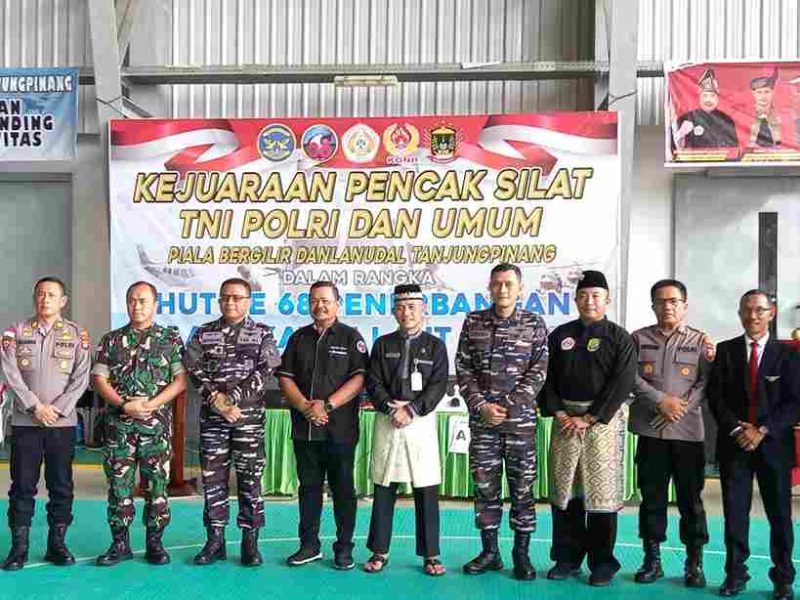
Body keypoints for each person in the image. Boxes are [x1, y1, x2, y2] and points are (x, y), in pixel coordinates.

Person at [542, 269, 636, 587]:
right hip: (565, 421)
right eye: (583, 295)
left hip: (601, 424)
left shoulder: (619, 337)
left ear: (607, 299)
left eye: (596, 295)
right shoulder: (559, 336)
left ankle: (602, 563)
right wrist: (557, 411)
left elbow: (622, 383)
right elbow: (546, 378)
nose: (589, 301)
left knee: (600, 496)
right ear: (575, 299)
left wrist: (592, 417)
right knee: (566, 493)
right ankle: (567, 559)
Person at [456, 263, 549, 581]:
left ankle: (521, 555)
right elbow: (464, 369)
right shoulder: (473, 322)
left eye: (509, 284)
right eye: (497, 284)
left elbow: (539, 372)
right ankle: (490, 552)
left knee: (523, 490)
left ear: (520, 289)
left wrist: (507, 406)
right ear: (490, 288)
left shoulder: (534, 324)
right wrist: (481, 406)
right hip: (484, 426)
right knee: (485, 489)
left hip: (520, 424)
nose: (503, 289)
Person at [708, 290, 799, 600]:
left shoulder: (788, 355)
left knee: (780, 514)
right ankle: (735, 574)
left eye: (760, 310)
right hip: (734, 446)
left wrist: (762, 430)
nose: (753, 315)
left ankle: (783, 578)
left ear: (771, 313)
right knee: (735, 514)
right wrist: (737, 429)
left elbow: (794, 403)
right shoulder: (726, 351)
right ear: (740, 313)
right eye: (747, 310)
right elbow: (715, 397)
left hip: (774, 447)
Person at [184, 278, 280, 567]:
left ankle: (250, 542)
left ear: (248, 301)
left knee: (250, 480)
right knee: (213, 480)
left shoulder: (263, 334)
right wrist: (216, 399)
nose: (230, 302)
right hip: (213, 420)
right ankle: (215, 541)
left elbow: (266, 372)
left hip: (247, 420)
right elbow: (193, 369)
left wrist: (232, 399)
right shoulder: (203, 333)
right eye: (225, 297)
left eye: (237, 298)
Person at [92, 281, 187, 566]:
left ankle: (154, 544)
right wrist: (124, 405)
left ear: (155, 304)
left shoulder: (169, 340)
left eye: (143, 301)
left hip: (155, 427)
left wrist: (151, 404)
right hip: (119, 428)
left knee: (156, 486)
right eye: (132, 300)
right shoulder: (110, 340)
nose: (137, 305)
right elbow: (99, 379)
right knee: (118, 487)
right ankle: (119, 543)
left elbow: (180, 381)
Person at [0, 277, 91, 570]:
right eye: (40, 294)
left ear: (63, 301)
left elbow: (81, 378)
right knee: (22, 486)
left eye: (51, 294)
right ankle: (19, 548)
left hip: (61, 425)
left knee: (61, 485)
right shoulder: (15, 332)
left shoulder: (77, 334)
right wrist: (35, 407)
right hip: (26, 423)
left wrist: (57, 410)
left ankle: (57, 544)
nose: (45, 299)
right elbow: (9, 373)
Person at [278, 281, 369, 570]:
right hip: (305, 428)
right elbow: (285, 377)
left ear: (337, 304)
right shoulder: (298, 338)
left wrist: (326, 405)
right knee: (309, 488)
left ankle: (344, 548)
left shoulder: (351, 337)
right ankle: (309, 545)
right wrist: (306, 406)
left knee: (343, 489)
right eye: (315, 301)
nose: (320, 306)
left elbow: (359, 379)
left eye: (326, 301)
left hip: (340, 429)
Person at [629, 279, 713, 587]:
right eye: (661, 301)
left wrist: (679, 408)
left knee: (692, 501)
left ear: (685, 305)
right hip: (650, 432)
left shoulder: (701, 341)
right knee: (651, 499)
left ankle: (694, 563)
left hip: (688, 434)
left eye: (674, 301)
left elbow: (706, 382)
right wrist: (660, 401)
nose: (668, 306)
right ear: (653, 306)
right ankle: (652, 561)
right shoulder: (637, 339)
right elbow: (631, 378)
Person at [363, 284, 448, 576]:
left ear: (423, 309)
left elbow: (438, 386)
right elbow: (372, 382)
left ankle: (431, 554)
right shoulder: (382, 344)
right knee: (384, 485)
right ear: (393, 310)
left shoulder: (436, 346)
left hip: (420, 421)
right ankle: (379, 550)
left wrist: (411, 409)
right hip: (388, 419)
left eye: (412, 306)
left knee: (426, 488)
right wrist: (391, 408)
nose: (406, 312)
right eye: (400, 306)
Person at [675, 68, 739, 148]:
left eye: (712, 96)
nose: (708, 100)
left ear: (718, 98)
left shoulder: (727, 120)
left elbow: (734, 149)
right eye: (705, 95)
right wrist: (680, 135)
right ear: (699, 97)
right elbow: (675, 150)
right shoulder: (686, 118)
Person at [749, 68, 782, 147]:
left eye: (767, 92)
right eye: (759, 92)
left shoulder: (781, 114)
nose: (763, 96)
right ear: (753, 93)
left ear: (773, 92)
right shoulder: (745, 114)